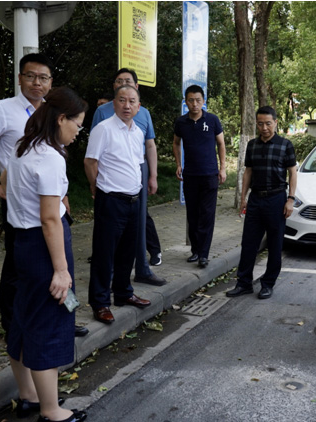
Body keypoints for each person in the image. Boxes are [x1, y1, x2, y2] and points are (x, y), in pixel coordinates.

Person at [0, 54, 90, 346]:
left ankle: (65, 318)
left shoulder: (52, 110)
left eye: (43, 77)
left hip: (52, 203)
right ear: (20, 78)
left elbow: (56, 160)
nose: (37, 83)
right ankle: (14, 326)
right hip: (24, 207)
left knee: (61, 265)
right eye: (30, 76)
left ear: (51, 82)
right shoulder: (2, 110)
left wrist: (64, 197)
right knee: (21, 269)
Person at [6, 86, 88, 422]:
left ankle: (28, 396)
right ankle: (51, 411)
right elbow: (50, 218)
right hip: (42, 247)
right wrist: (61, 270)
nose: (78, 132)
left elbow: (5, 180)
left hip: (20, 243)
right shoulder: (50, 157)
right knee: (47, 324)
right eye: (77, 125)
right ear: (61, 118)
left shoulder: (23, 146)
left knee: (22, 319)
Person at [85, 85, 152, 324]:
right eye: (122, 100)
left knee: (127, 252)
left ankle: (123, 293)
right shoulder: (103, 129)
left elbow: (136, 164)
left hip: (133, 201)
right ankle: (100, 302)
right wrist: (97, 187)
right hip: (110, 200)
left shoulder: (137, 132)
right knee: (105, 253)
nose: (127, 105)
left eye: (131, 101)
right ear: (113, 104)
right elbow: (90, 162)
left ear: (138, 106)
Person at [91, 68, 166, 282]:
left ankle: (141, 269)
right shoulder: (103, 112)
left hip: (137, 169)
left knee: (139, 222)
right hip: (110, 175)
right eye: (119, 81)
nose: (127, 105)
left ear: (137, 87)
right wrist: (94, 183)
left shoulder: (143, 113)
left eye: (128, 80)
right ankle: (110, 276)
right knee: (109, 231)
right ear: (114, 88)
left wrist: (153, 176)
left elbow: (149, 145)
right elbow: (93, 155)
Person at [226, 106, 297, 300]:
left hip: (277, 199)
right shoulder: (252, 145)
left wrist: (290, 199)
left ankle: (267, 284)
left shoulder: (285, 145)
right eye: (260, 123)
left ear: (275, 123)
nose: (264, 127)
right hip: (256, 199)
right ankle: (243, 283)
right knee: (249, 243)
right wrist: (243, 198)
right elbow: (248, 171)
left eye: (268, 123)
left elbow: (292, 172)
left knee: (274, 244)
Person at [172, 85, 226, 268]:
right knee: (193, 214)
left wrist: (223, 168)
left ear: (203, 101)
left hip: (210, 174)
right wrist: (179, 164)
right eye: (190, 100)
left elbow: (221, 144)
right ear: (186, 101)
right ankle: (195, 250)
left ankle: (204, 254)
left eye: (198, 100)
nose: (194, 104)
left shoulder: (212, 120)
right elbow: (176, 143)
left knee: (207, 214)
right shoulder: (181, 122)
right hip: (190, 175)